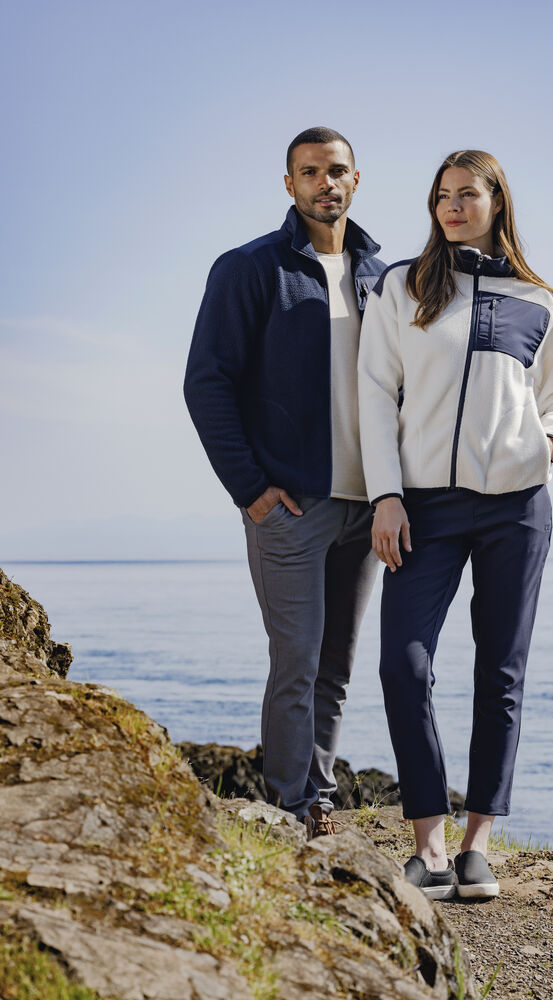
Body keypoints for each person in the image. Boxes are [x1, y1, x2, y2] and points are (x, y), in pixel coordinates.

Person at [358, 149, 553, 898]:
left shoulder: (535, 301)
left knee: (501, 670)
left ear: (496, 202)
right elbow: (373, 393)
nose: (452, 207)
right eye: (441, 196)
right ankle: (428, 845)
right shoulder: (404, 286)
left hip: (517, 506)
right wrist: (385, 496)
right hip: (423, 506)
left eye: (467, 194)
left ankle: (477, 843)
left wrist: (548, 444)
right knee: (403, 664)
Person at [184, 126, 384, 838]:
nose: (325, 183)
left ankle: (317, 799)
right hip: (291, 506)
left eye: (337, 171)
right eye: (310, 172)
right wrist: (251, 489)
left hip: (368, 505)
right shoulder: (248, 268)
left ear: (355, 179)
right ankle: (289, 808)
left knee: (336, 666)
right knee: (295, 662)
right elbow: (207, 383)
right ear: (290, 184)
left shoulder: (382, 276)